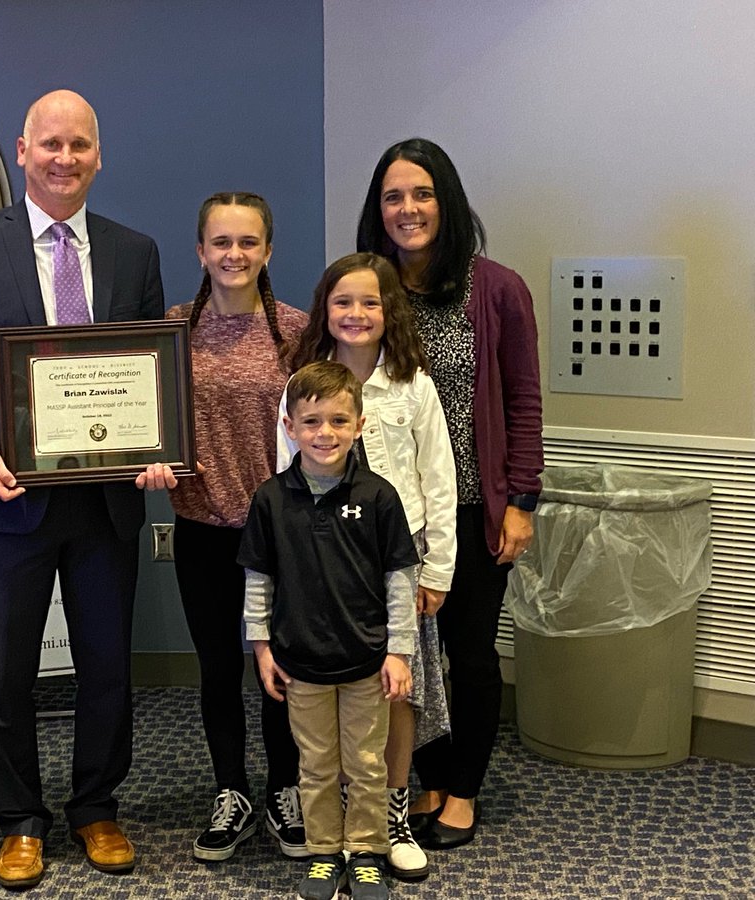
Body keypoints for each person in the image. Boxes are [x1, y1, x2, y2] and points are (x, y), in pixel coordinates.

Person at [0, 89, 164, 890]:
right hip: (5, 503)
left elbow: (152, 373)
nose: (65, 159)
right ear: (22, 151)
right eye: (50, 145)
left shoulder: (135, 252)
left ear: (99, 155)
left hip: (104, 507)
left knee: (106, 668)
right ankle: (19, 821)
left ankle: (95, 806)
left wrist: (157, 447)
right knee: (4, 675)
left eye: (80, 146)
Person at [356, 138, 543, 849]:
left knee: (468, 655)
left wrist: (522, 500)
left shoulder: (496, 288)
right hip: (388, 515)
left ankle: (462, 790)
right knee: (410, 654)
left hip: (473, 510)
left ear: (449, 201)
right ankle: (426, 777)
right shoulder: (371, 287)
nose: (408, 209)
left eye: (423, 193)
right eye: (394, 197)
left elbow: (525, 401)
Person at [136, 193, 309, 862]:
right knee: (216, 666)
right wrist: (148, 459)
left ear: (267, 251)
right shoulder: (172, 328)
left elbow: (320, 425)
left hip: (281, 530)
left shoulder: (296, 328)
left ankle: (284, 789)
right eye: (220, 242)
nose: (233, 255)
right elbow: (146, 419)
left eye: (247, 242)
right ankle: (231, 790)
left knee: (283, 666)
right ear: (200, 251)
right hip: (201, 524)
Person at [278, 252, 456, 880]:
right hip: (323, 566)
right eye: (343, 301)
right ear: (325, 309)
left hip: (397, 563)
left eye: (371, 302)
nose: (356, 314)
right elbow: (286, 487)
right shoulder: (302, 386)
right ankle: (335, 823)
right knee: (326, 695)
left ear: (390, 312)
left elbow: (439, 480)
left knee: (395, 688)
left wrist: (437, 571)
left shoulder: (413, 384)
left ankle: (393, 816)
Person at [241, 361, 419, 900]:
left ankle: (366, 850)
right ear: (290, 427)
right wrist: (262, 647)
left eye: (339, 421)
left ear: (360, 424)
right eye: (312, 422)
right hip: (300, 664)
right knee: (315, 766)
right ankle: (323, 853)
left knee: (367, 764)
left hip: (367, 661)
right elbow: (258, 580)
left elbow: (400, 581)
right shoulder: (271, 500)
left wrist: (400, 652)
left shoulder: (380, 497)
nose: (326, 433)